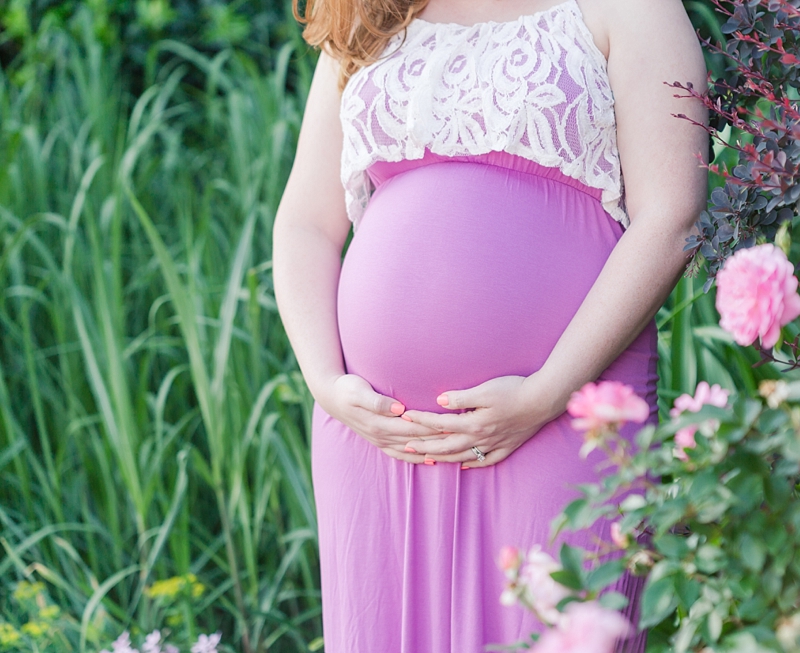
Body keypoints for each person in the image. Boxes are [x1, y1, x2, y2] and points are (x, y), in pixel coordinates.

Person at [272, 0, 707, 649]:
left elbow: (672, 213)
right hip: (376, 434)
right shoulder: (368, 12)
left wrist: (547, 392)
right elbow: (303, 222)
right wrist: (327, 384)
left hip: (566, 414)